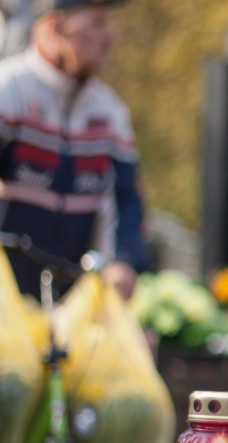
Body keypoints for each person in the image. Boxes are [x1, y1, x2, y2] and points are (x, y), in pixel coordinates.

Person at [0, 0, 147, 301]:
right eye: (96, 23)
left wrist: (124, 261)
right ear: (55, 26)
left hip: (70, 299)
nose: (110, 34)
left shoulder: (110, 112)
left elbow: (127, 200)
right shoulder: (8, 90)